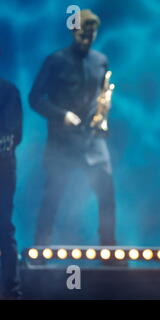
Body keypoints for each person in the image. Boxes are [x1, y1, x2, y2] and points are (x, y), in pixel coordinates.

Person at [29, 9, 117, 247]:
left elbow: (102, 94)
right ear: (74, 31)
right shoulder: (56, 60)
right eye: (83, 33)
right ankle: (41, 248)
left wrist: (103, 116)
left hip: (93, 139)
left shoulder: (100, 60)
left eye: (92, 33)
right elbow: (35, 98)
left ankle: (109, 247)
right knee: (53, 195)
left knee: (107, 193)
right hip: (62, 141)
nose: (88, 38)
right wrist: (61, 115)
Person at [0, 79, 22, 299]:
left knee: (4, 227)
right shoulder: (9, 89)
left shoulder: (7, 90)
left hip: (3, 167)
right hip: (5, 165)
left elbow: (11, 135)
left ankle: (11, 291)